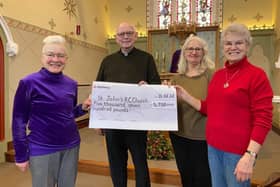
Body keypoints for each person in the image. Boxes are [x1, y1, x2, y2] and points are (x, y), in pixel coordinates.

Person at [175, 23, 273, 187]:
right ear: (223, 47)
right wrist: (184, 95)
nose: (233, 47)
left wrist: (250, 155)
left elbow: (263, 119)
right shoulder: (219, 75)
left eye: (239, 43)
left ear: (247, 46)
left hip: (237, 152)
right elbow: (209, 108)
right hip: (213, 148)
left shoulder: (257, 75)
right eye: (228, 43)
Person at [12, 35, 91, 187]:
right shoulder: (28, 83)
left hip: (71, 147)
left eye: (61, 55)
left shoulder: (71, 83)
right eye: (50, 55)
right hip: (42, 148)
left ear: (66, 59)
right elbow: (18, 121)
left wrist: (82, 108)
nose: (56, 59)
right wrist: (21, 155)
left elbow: (68, 114)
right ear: (42, 58)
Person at [95, 22, 161, 187]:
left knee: (140, 163)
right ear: (116, 38)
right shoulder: (107, 61)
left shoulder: (147, 59)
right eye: (122, 34)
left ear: (136, 36)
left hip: (137, 124)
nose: (125, 37)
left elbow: (156, 86)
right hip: (112, 124)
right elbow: (99, 90)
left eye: (129, 33)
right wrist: (97, 120)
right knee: (116, 164)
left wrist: (147, 87)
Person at [168, 35, 214, 187]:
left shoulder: (211, 75)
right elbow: (168, 106)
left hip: (203, 137)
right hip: (179, 135)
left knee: (203, 177)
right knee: (185, 175)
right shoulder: (177, 78)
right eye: (190, 48)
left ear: (203, 53)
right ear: (184, 53)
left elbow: (214, 107)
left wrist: (186, 97)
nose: (193, 52)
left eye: (197, 49)